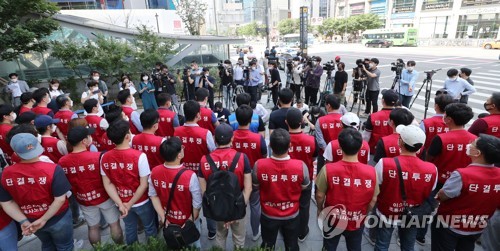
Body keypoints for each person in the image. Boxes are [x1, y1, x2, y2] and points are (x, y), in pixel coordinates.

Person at [0, 133, 73, 250]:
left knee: (47, 245)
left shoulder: (5, 174)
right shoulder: (53, 169)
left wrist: (23, 220)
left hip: (31, 220)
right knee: (65, 246)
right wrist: (43, 220)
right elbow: (59, 199)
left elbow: (6, 202)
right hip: (57, 217)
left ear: (15, 152)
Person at [374, 124, 438, 251]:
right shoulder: (432, 169)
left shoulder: (385, 163)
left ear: (401, 142)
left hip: (388, 212)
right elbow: (430, 191)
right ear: (421, 146)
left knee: (382, 244)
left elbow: (376, 187)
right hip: (414, 214)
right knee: (408, 245)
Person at [433, 134, 500, 251]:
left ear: (477, 153)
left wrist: (438, 195)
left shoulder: (462, 175)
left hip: (450, 224)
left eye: (473, 144)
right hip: (478, 225)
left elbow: (444, 195)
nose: (469, 144)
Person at [59, 126, 124, 246]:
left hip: (83, 199)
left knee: (93, 227)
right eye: (89, 136)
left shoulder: (62, 161)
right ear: (84, 141)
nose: (91, 137)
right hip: (104, 196)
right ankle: (120, 247)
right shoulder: (98, 157)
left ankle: (98, 249)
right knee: (114, 224)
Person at [315, 128, 377, 251]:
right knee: (355, 247)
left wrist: (319, 209)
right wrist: (365, 213)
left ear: (340, 146)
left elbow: (320, 195)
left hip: (333, 218)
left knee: (329, 246)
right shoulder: (372, 172)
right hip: (356, 218)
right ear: (360, 148)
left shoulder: (328, 169)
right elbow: (373, 199)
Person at [100, 120, 157, 244]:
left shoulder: (105, 157)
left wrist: (121, 204)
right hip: (141, 201)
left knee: (130, 228)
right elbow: (144, 184)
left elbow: (108, 184)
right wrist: (129, 204)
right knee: (149, 227)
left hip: (121, 202)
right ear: (127, 136)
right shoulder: (139, 156)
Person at [253, 129, 310, 250]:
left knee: (268, 245)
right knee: (292, 245)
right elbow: (304, 186)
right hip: (292, 214)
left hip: (268, 214)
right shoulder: (301, 166)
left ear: (270, 145)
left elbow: (256, 186)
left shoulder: (259, 165)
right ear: (290, 145)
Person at [199, 124, 252, 249]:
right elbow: (248, 188)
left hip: (217, 207)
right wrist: (236, 211)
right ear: (232, 138)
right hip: (237, 207)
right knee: (239, 238)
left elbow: (204, 191)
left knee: (220, 236)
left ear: (215, 139)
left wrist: (219, 209)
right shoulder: (242, 158)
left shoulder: (204, 160)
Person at [173, 100, 216, 239]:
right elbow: (213, 152)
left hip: (183, 174)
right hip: (203, 174)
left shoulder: (177, 131)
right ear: (198, 115)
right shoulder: (205, 133)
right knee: (206, 201)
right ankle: (211, 230)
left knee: (189, 201)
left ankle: (194, 225)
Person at [149, 137, 202, 249]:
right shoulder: (190, 175)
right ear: (179, 155)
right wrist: (191, 220)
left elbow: (153, 195)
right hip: (187, 220)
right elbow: (197, 202)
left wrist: (163, 217)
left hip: (169, 220)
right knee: (194, 245)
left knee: (174, 245)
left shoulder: (154, 172)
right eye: (181, 148)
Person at [232, 104, 267, 241]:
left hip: (234, 175)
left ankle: (237, 232)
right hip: (253, 175)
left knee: (236, 201)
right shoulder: (258, 138)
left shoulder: (231, 136)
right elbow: (264, 157)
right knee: (255, 204)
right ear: (251, 119)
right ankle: (255, 232)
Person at [427, 103, 476, 188]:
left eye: (445, 114)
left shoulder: (440, 138)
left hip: (439, 180)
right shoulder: (475, 139)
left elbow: (428, 159)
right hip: (463, 180)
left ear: (449, 119)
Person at [286, 108, 318, 242]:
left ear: (286, 122)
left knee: (287, 203)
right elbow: (314, 157)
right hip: (306, 179)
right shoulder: (311, 140)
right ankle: (302, 231)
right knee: (304, 206)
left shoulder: (282, 139)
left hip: (287, 179)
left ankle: (288, 229)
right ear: (302, 122)